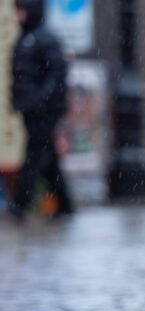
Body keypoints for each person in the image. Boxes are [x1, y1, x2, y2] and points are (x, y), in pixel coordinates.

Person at [8, 0, 73, 222]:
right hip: (31, 110)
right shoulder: (27, 39)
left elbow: (55, 77)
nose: (18, 16)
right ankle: (65, 204)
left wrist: (39, 101)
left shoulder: (43, 40)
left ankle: (19, 204)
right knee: (47, 159)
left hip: (42, 112)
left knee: (34, 157)